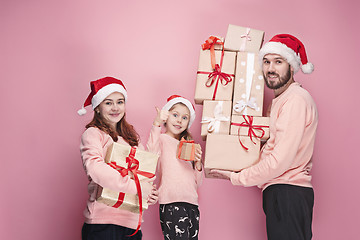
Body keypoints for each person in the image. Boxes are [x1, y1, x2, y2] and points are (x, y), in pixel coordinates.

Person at [211, 34, 318, 240]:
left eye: (278, 62)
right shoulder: (281, 100)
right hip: (282, 192)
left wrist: (237, 177)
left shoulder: (295, 100)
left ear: (292, 66)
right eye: (266, 62)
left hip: (288, 191)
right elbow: (271, 145)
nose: (270, 68)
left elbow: (280, 160)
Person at [78, 76, 158, 240]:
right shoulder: (93, 134)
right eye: (108, 103)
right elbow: (96, 169)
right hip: (102, 224)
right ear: (98, 107)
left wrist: (149, 194)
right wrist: (138, 188)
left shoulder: (132, 139)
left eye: (120, 102)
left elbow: (144, 172)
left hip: (132, 226)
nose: (115, 108)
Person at [147, 95, 203, 240]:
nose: (179, 120)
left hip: (192, 204)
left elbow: (197, 183)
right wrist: (156, 124)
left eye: (185, 118)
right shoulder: (162, 140)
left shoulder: (188, 146)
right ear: (166, 116)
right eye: (175, 115)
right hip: (172, 203)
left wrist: (197, 165)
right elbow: (151, 153)